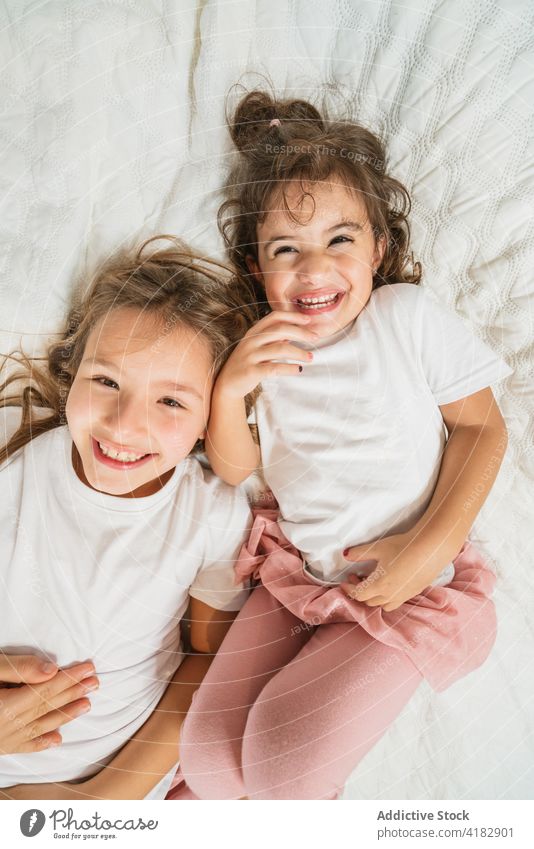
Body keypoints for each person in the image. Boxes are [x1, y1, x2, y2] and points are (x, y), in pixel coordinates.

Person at [171, 91, 514, 800]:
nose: (312, 267)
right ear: (256, 267)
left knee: (281, 772)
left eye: (339, 239)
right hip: (300, 573)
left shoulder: (403, 319)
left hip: (406, 586)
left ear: (379, 249)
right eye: (285, 249)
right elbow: (236, 466)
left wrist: (428, 547)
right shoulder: (264, 351)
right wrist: (232, 388)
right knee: (205, 764)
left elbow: (482, 429)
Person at [0, 237, 258, 799]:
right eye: (107, 381)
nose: (123, 424)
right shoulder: (13, 458)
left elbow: (205, 664)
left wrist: (99, 801)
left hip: (103, 788)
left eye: (171, 402)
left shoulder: (209, 512)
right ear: (71, 375)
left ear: (207, 423)